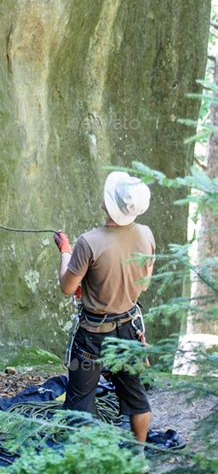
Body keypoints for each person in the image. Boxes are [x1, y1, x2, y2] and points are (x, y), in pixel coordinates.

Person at [54, 171, 155, 446]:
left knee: (79, 401)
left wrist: (65, 251)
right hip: (129, 331)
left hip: (91, 335)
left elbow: (67, 287)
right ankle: (139, 457)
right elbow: (143, 284)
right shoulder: (146, 235)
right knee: (136, 398)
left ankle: (85, 461)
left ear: (109, 204)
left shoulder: (89, 242)